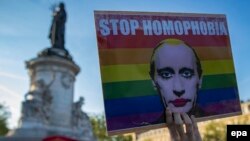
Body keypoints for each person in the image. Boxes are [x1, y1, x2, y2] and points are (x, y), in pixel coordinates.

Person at [149, 38, 203, 140]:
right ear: (153, 81)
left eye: (187, 74)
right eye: (166, 74)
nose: (178, 89)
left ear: (200, 79)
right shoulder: (144, 125)